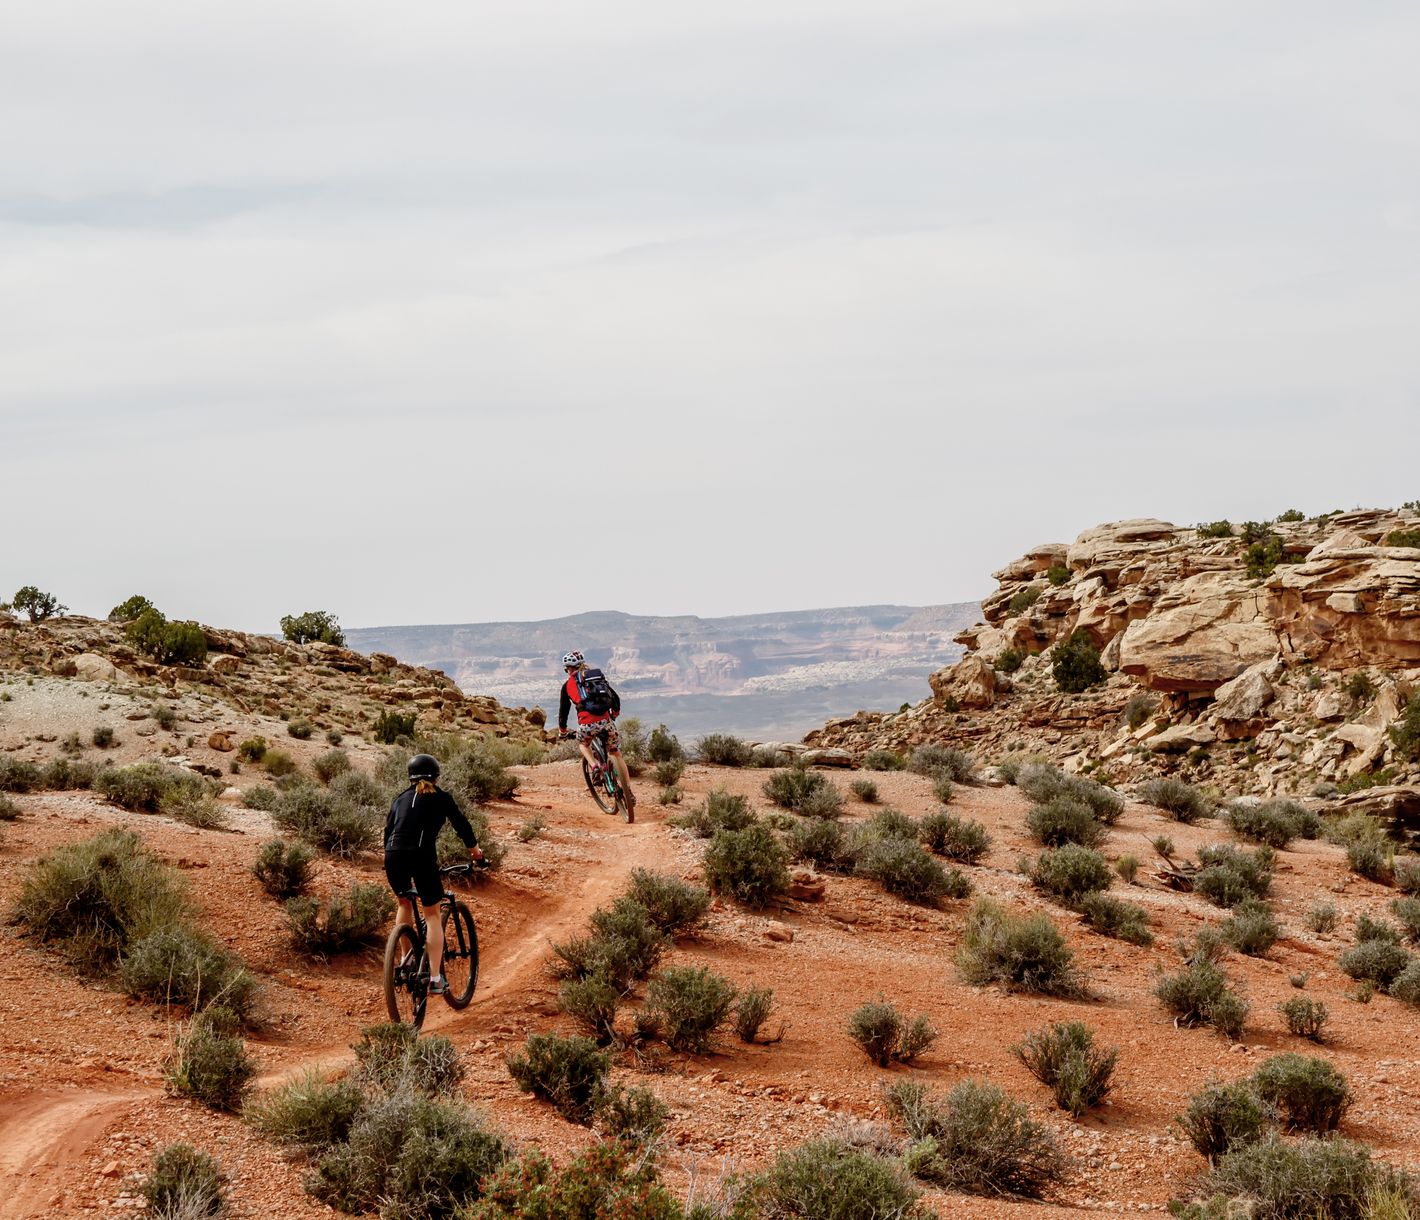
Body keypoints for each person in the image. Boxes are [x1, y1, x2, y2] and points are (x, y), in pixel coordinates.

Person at [383, 753, 484, 995]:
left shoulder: (400, 799)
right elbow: (462, 825)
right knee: (432, 914)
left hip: (392, 855)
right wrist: (476, 853)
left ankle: (407, 961)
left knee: (404, 902)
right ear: (436, 776)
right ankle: (436, 979)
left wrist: (389, 860)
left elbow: (388, 831)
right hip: (421, 856)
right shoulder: (441, 798)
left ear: (410, 776)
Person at [557, 649, 636, 818]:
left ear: (569, 669)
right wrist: (614, 713)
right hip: (606, 721)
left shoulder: (567, 685)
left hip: (586, 724)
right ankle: (627, 791)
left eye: (567, 669)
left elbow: (563, 711)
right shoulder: (596, 676)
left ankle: (594, 766)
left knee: (583, 744)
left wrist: (562, 731)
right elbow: (613, 696)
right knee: (616, 753)